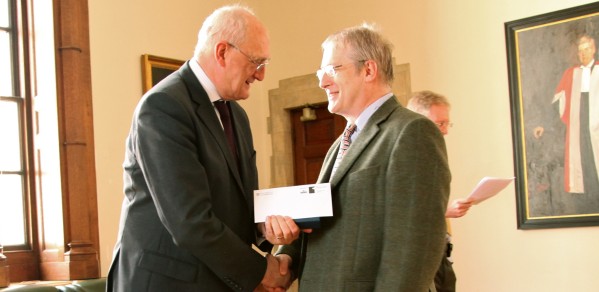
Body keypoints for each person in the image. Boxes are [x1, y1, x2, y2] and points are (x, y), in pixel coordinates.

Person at [106, 5, 300, 292]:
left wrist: (265, 227)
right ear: (222, 52)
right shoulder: (164, 106)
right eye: (256, 62)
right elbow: (189, 220)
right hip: (164, 283)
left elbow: (238, 202)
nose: (261, 75)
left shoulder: (237, 115)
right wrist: (262, 270)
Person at [273, 24, 451, 291]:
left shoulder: (412, 132)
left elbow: (416, 245)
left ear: (369, 70)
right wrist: (286, 257)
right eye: (320, 72)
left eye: (332, 69)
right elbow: (324, 224)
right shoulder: (339, 145)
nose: (322, 82)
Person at [407, 90, 473, 292]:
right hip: (420, 259)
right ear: (419, 121)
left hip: (441, 253)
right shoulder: (406, 159)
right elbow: (404, 211)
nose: (445, 131)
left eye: (447, 123)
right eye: (440, 123)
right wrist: (445, 211)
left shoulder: (430, 155)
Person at [544, 34, 599, 196]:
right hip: (579, 120)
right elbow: (557, 102)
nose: (583, 54)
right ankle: (589, 191)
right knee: (583, 156)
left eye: (587, 49)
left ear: (594, 50)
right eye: (580, 51)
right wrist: (544, 124)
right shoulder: (571, 73)